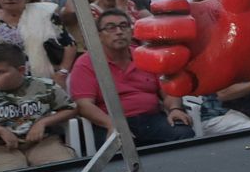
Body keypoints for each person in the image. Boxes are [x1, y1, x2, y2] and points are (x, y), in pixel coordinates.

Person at [69, 9, 195, 146]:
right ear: (99, 35)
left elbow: (169, 90)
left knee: (184, 133)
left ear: (131, 31)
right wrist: (112, 125)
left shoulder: (146, 56)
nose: (119, 32)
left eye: (124, 26)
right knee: (119, 147)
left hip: (151, 119)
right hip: (110, 121)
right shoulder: (86, 63)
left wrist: (175, 109)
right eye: (110, 28)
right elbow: (84, 105)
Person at [0, 44, 77, 172]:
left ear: (21, 70)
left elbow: (71, 109)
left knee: (63, 171)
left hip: (41, 143)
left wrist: (43, 123)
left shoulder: (44, 86)